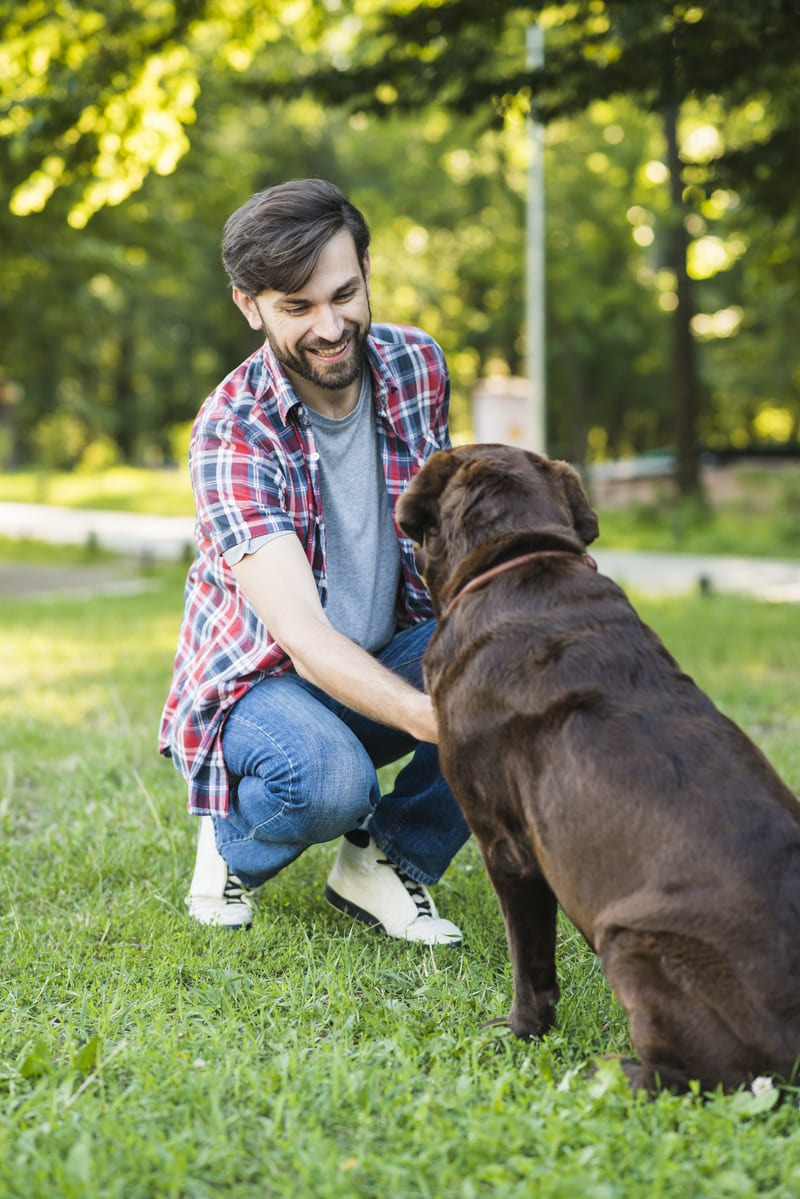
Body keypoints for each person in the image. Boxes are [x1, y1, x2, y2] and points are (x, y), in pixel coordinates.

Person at [159, 178, 470, 944]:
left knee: (519, 659)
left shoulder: (418, 365)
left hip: (383, 649)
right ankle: (229, 835)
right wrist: (446, 721)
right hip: (263, 682)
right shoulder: (232, 429)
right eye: (297, 308)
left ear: (365, 268)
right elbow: (299, 632)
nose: (331, 328)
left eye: (344, 294)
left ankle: (386, 861)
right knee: (332, 781)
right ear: (249, 305)